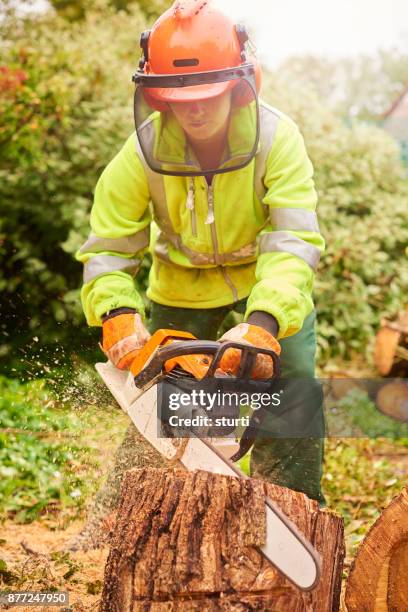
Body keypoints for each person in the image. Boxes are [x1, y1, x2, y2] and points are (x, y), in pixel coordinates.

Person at [71, 0, 326, 550]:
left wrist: (263, 324)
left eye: (208, 96)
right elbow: (110, 248)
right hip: (181, 285)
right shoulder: (139, 152)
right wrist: (116, 312)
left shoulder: (278, 139)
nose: (195, 110)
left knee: (294, 382)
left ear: (239, 83)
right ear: (156, 92)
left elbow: (293, 241)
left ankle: (295, 519)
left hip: (265, 287)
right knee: (163, 400)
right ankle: (116, 533)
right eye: (180, 99)